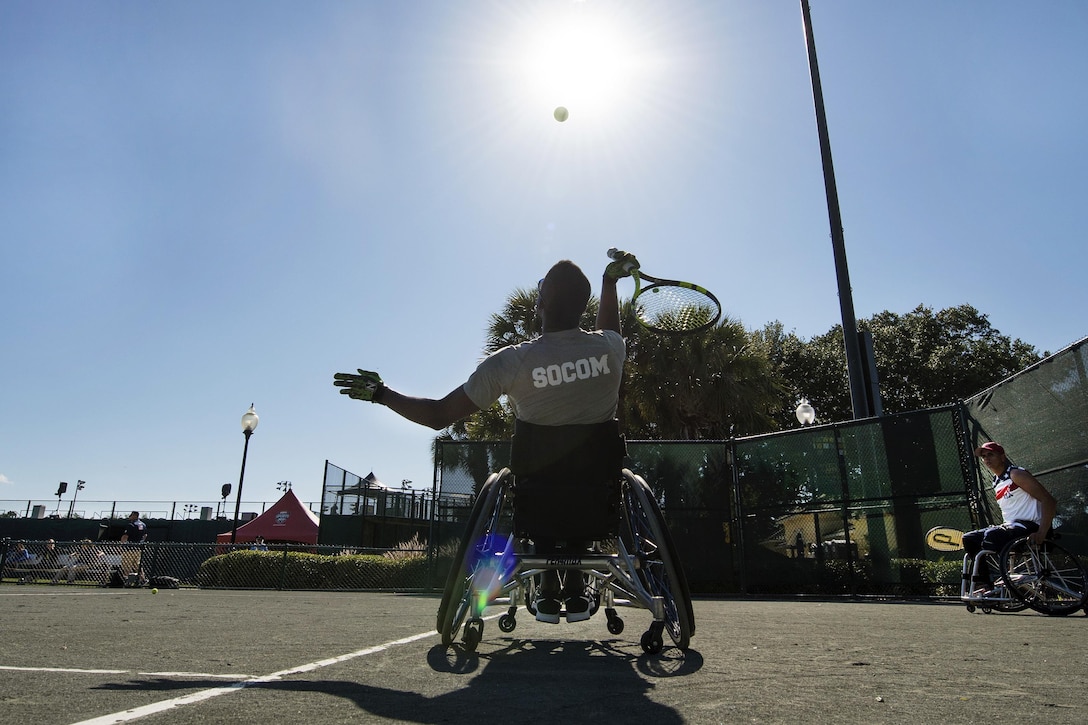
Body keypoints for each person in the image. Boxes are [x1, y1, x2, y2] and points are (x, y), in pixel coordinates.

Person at [334, 252, 636, 623]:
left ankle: (550, 587)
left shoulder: (511, 362)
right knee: (579, 483)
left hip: (537, 498)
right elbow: (610, 330)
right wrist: (610, 283)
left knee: (543, 484)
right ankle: (573, 584)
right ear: (582, 305)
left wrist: (382, 393)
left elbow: (438, 415)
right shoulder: (610, 349)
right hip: (597, 497)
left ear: (541, 302)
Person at [962, 441, 1057, 593]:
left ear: (1002, 457)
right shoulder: (996, 481)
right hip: (1013, 527)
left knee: (992, 535)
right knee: (969, 538)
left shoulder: (1016, 474)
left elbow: (1049, 501)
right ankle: (985, 585)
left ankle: (1005, 576)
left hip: (1031, 527)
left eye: (991, 454)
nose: (986, 459)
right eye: (984, 456)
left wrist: (1042, 532)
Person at [119, 511, 147, 585]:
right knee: (137, 565)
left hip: (129, 548)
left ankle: (127, 580)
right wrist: (141, 542)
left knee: (127, 565)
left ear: (135, 516)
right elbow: (145, 535)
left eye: (131, 515)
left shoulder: (131, 525)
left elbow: (125, 536)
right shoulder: (143, 525)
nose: (129, 517)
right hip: (138, 548)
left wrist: (121, 545)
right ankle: (142, 579)